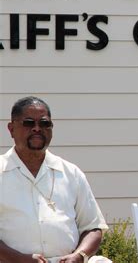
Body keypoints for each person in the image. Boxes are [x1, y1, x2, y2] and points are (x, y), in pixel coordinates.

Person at [0, 97, 110, 263]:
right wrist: (18, 259)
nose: (37, 129)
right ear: (11, 129)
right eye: (29, 123)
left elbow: (93, 227)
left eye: (44, 124)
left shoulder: (71, 173)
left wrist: (79, 256)